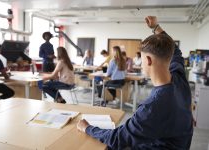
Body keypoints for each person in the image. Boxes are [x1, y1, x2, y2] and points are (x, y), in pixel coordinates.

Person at [77, 16, 193, 150]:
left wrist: (87, 128)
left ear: (148, 60)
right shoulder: (179, 77)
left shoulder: (153, 107)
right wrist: (156, 27)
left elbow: (117, 139)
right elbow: (175, 50)